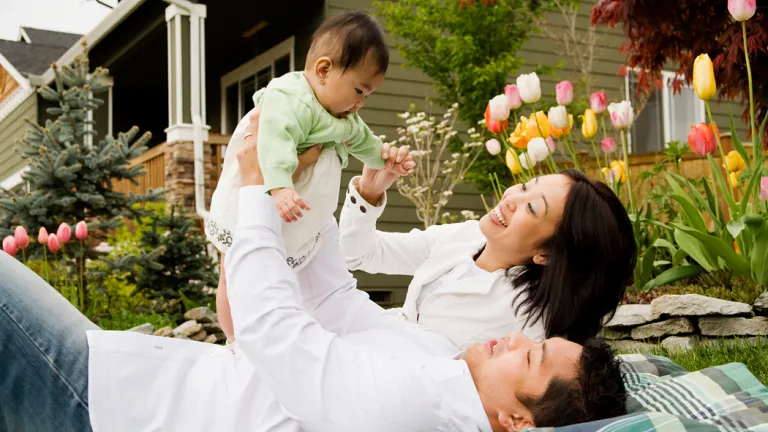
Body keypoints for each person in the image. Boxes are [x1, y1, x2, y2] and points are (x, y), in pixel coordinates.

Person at [0, 109, 627, 432]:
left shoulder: (419, 403)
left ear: (516, 421)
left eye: (532, 357)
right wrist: (308, 190)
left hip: (119, 409)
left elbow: (279, 336)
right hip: (149, 382)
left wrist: (256, 194)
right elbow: (340, 298)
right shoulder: (447, 364)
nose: (521, 341)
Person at [207, 11, 405, 344]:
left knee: (279, 281)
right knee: (235, 274)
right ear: (324, 70)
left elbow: (362, 141)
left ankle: (265, 342)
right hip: (260, 199)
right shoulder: (290, 100)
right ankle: (233, 339)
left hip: (293, 212)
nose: (360, 103)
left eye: (367, 96)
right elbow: (272, 145)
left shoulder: (339, 112)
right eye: (359, 90)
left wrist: (384, 158)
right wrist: (282, 186)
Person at [338, 156, 637, 348]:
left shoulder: (526, 327)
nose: (510, 199)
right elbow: (362, 253)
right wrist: (369, 190)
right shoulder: (467, 236)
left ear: (548, 254)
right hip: (374, 345)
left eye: (531, 208)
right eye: (523, 187)